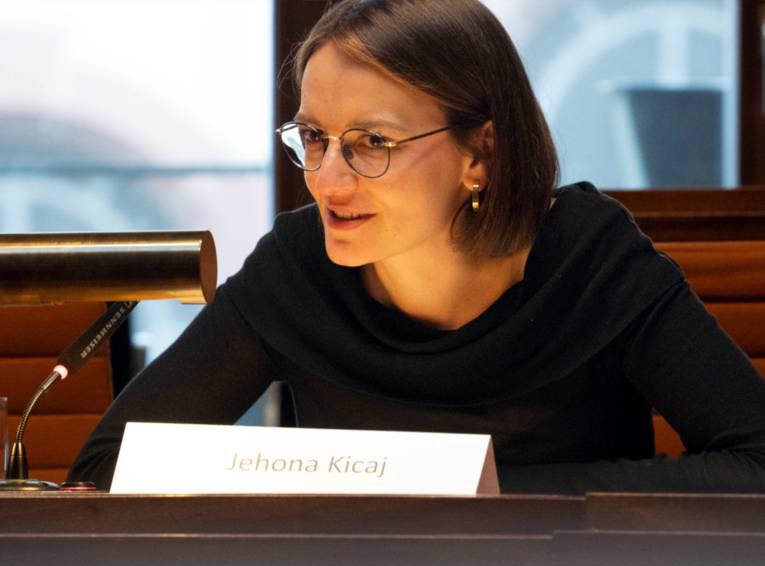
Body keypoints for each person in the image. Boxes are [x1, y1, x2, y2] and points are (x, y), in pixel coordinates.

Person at [70, 0, 765, 493]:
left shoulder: (588, 259)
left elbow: (756, 461)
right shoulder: (299, 266)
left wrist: (477, 493)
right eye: (314, 138)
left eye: (373, 141)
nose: (327, 180)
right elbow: (106, 469)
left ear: (479, 153)